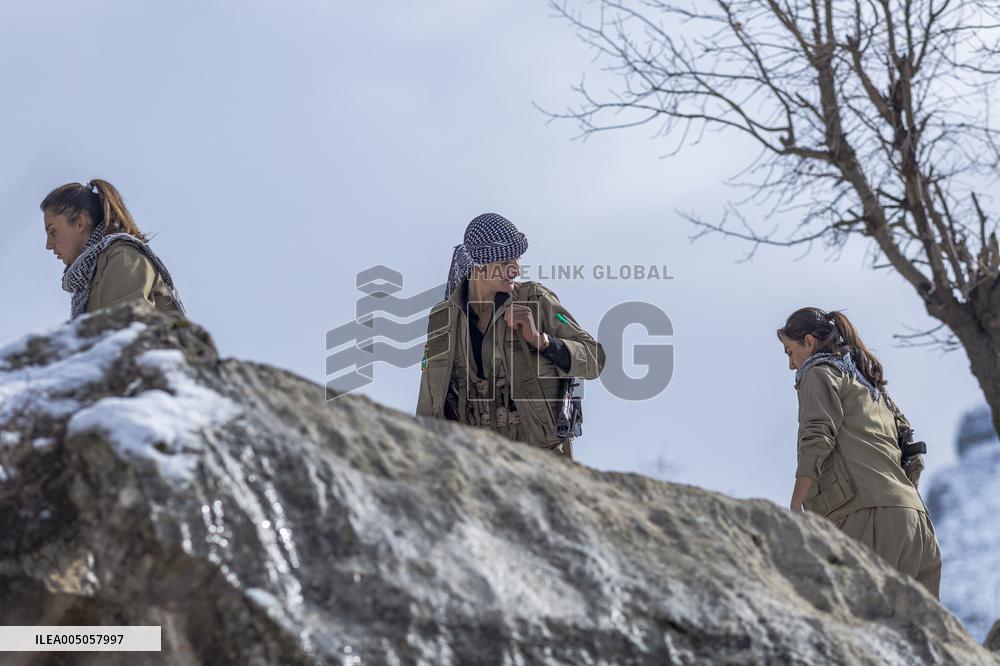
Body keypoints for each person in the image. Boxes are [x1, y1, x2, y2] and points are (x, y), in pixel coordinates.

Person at [778, 307, 941, 597]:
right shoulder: (873, 388)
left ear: (809, 342)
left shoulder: (818, 373)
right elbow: (912, 455)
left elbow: (816, 438)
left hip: (866, 517)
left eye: (790, 351)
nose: (791, 364)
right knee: (915, 636)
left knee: (859, 629)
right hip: (917, 524)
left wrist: (794, 510)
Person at [416, 213, 605, 457]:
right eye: (505, 262)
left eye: (516, 260)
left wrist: (542, 341)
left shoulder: (536, 300)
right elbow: (429, 400)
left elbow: (595, 358)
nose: (515, 270)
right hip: (472, 461)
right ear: (480, 265)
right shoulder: (443, 319)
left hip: (538, 459)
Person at [41, 179, 185, 319]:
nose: (49, 245)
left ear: (80, 222)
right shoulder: (92, 275)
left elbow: (125, 330)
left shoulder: (123, 256)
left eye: (53, 232)